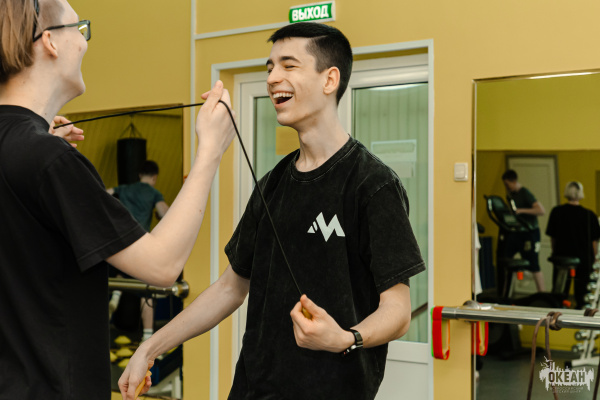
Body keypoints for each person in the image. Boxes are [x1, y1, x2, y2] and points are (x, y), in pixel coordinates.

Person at [121, 22, 425, 400]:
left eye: (288, 65)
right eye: (269, 68)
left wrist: (346, 338)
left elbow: (397, 310)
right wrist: (149, 348)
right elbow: (229, 288)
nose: (272, 78)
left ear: (330, 79)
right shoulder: (271, 184)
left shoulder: (373, 184)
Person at [0, 0, 235, 399]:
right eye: (80, 29)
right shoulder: (49, 160)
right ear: (50, 42)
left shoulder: (34, 155)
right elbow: (162, 266)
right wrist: (210, 150)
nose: (84, 43)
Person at [107, 160, 170, 340]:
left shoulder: (124, 189)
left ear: (140, 174)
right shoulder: (154, 193)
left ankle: (115, 298)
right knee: (146, 288)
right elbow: (164, 213)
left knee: (122, 274)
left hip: (121, 244)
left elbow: (104, 194)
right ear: (155, 177)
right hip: (141, 245)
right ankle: (147, 336)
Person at [546, 182, 600, 308]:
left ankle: (556, 313)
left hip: (562, 258)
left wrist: (554, 252)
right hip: (584, 260)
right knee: (582, 296)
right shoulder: (589, 215)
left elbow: (553, 238)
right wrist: (595, 258)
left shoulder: (557, 212)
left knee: (559, 293)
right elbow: (594, 242)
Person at [501, 169, 546, 291]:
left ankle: (542, 294)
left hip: (530, 232)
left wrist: (521, 211)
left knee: (534, 265)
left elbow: (541, 210)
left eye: (507, 184)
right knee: (507, 259)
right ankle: (506, 292)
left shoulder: (525, 193)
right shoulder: (511, 195)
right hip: (518, 232)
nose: (506, 187)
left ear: (513, 181)